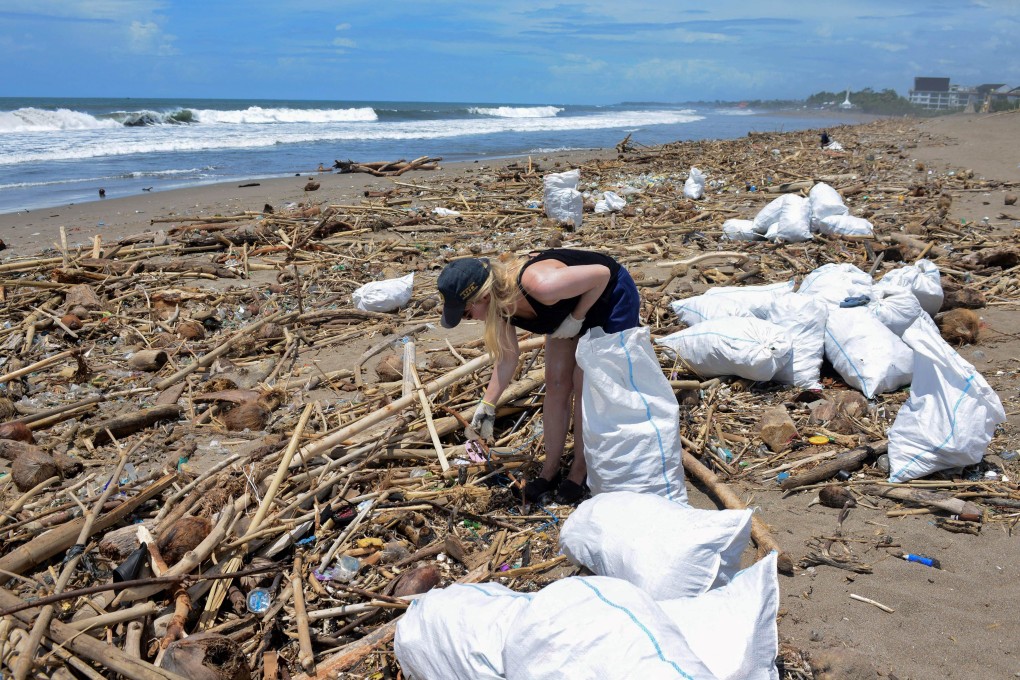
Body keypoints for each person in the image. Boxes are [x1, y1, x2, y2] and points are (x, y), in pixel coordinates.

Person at [437, 249, 641, 504]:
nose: (469, 320)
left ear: (484, 297)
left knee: (582, 382)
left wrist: (575, 318)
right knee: (556, 382)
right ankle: (550, 470)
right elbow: (508, 358)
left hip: (607, 297)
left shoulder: (540, 285)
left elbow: (602, 274)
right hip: (566, 309)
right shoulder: (498, 306)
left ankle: (579, 470)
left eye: (467, 313)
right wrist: (487, 404)